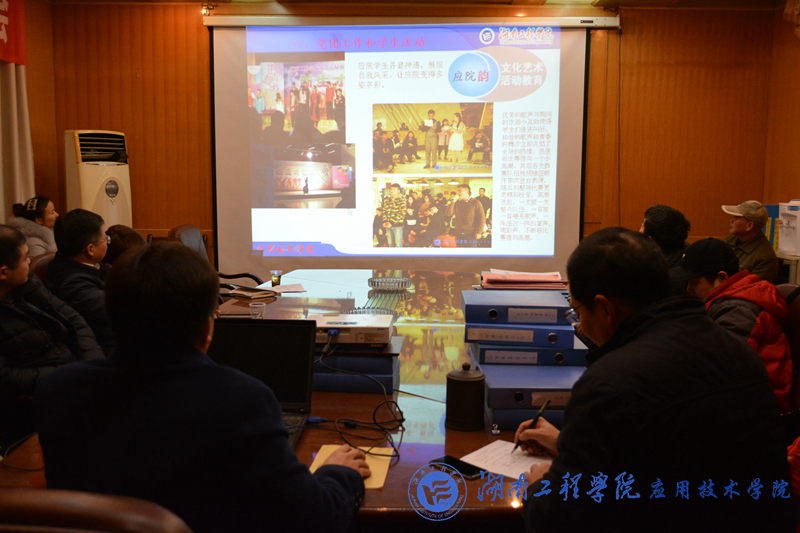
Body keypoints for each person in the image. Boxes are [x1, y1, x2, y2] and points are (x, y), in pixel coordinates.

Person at [35, 243, 370, 533]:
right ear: (209, 327)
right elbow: (315, 520)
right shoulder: (240, 401)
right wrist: (338, 473)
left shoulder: (59, 390)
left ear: (111, 317)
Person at [516, 228, 794, 533]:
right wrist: (567, 445)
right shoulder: (739, 353)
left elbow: (557, 520)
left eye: (578, 311)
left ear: (605, 308)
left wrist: (540, 486)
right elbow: (679, 461)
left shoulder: (610, 383)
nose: (580, 323)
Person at [0, 225, 102, 440]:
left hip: (75, 374)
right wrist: (67, 374)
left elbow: (74, 319)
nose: (30, 262)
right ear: (3, 272)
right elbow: (6, 379)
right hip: (38, 400)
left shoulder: (27, 283)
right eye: (25, 258)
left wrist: (93, 362)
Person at [673, 237, 792, 411]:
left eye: (695, 284)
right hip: (740, 396)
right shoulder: (727, 301)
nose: (689, 291)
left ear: (721, 277)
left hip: (756, 406)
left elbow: (722, 367)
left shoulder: (739, 309)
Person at [46, 209, 114, 354]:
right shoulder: (71, 282)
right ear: (90, 249)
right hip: (107, 348)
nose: (107, 243)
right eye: (105, 240)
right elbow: (118, 308)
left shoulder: (89, 265)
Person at [722, 201, 778, 283]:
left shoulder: (765, 258)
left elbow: (755, 289)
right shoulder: (729, 239)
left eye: (736, 217)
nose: (731, 221)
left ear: (749, 226)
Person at [381, 183, 405, 248]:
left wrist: (391, 222)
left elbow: (402, 214)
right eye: (391, 189)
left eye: (394, 189)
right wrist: (384, 221)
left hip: (397, 226)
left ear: (398, 191)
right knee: (390, 244)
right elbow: (384, 212)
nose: (392, 191)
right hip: (388, 225)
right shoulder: (387, 200)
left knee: (398, 245)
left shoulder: (402, 200)